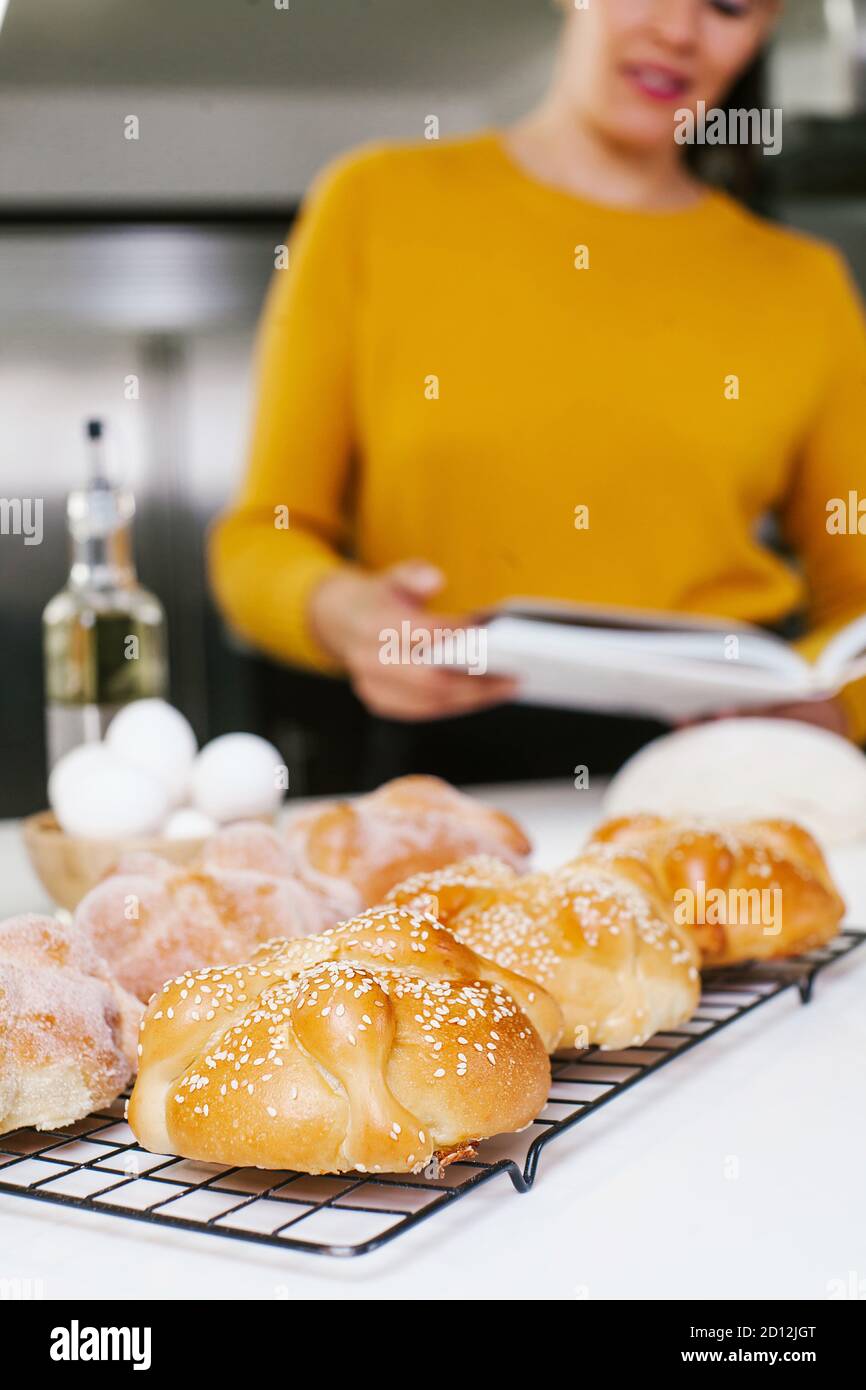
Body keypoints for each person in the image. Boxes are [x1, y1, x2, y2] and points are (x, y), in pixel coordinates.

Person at [210, 0, 866, 785]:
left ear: (765, 27)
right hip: (439, 765)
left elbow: (857, 602)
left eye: (727, 6)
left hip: (723, 772)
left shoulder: (803, 286)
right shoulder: (374, 205)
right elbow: (259, 540)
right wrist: (345, 615)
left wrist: (833, 708)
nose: (680, 32)